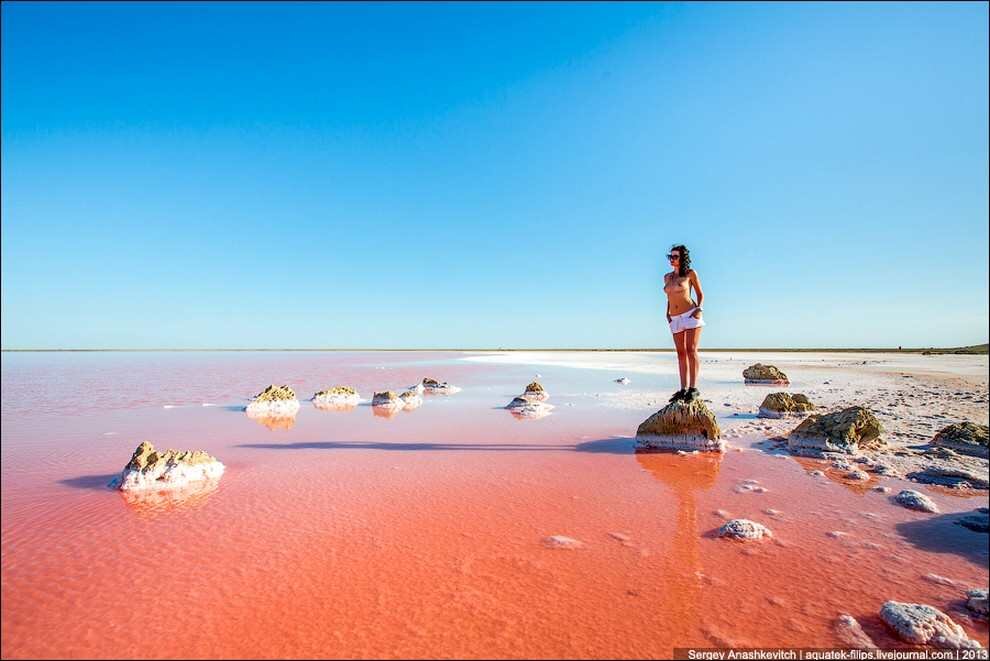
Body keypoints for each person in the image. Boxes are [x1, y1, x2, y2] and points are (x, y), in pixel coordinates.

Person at [663, 244, 705, 402]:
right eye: (670, 257)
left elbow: (700, 294)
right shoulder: (667, 277)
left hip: (690, 314)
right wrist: (667, 313)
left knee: (691, 350)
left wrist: (699, 309)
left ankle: (693, 389)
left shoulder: (690, 274)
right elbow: (669, 297)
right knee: (680, 353)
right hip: (674, 318)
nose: (672, 259)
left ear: (682, 258)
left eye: (675, 257)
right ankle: (683, 389)